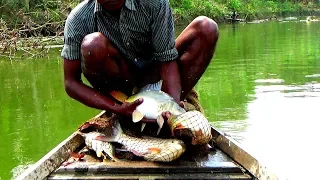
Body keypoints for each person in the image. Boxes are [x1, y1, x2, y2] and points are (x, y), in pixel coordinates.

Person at [61, 0, 219, 123]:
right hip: (120, 90)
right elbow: (71, 83)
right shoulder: (79, 19)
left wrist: (171, 105)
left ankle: (165, 114)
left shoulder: (153, 4)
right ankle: (122, 115)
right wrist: (116, 108)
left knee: (206, 28)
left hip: (156, 78)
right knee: (92, 45)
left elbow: (167, 60)